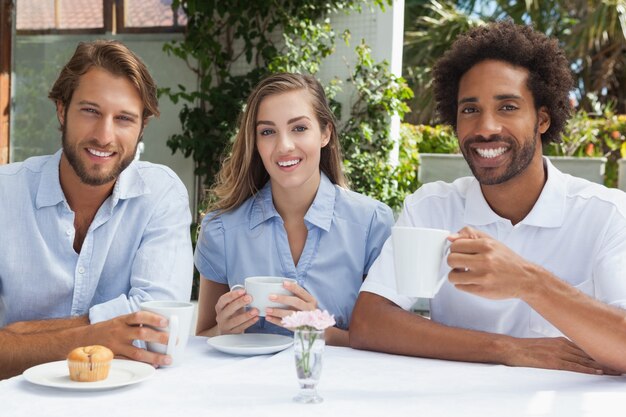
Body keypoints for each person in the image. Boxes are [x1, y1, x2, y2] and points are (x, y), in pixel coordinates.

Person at [350, 21, 626, 374]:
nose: (485, 128)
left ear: (542, 119)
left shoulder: (606, 214)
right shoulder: (432, 207)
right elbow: (370, 322)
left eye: (508, 107)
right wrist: (508, 349)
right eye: (470, 110)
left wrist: (528, 282)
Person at [0, 40, 193, 379]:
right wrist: (99, 334)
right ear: (62, 110)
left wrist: (19, 336)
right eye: (90, 111)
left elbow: (157, 332)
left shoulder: (161, 195)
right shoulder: (5, 193)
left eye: (123, 119)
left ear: (142, 127)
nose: (104, 136)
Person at [194, 73, 394, 346]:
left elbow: (388, 342)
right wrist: (223, 330)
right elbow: (202, 337)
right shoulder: (221, 229)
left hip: (340, 385)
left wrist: (321, 330)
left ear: (325, 133)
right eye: (267, 132)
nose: (284, 146)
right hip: (247, 387)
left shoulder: (372, 224)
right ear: (256, 143)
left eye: (299, 128)